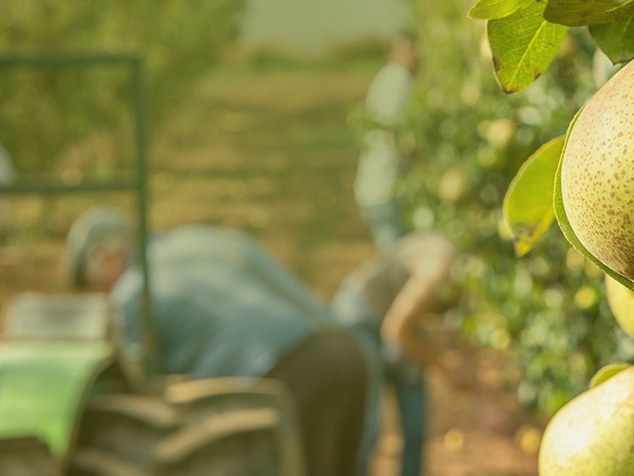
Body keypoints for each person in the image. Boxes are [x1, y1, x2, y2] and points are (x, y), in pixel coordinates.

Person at [64, 205, 368, 476]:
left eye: (95, 286)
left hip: (287, 378)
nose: (103, 296)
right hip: (341, 354)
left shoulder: (132, 294)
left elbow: (146, 392)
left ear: (104, 259)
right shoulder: (201, 239)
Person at [331, 230, 471, 476]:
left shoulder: (468, 289)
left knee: (416, 426)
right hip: (362, 316)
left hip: (402, 326)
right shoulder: (436, 273)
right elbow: (395, 329)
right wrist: (443, 364)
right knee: (368, 427)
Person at [353, 34, 416, 254]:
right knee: (397, 262)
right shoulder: (399, 78)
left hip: (373, 189)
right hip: (385, 189)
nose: (411, 56)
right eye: (404, 50)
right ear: (391, 54)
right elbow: (392, 127)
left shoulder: (385, 77)